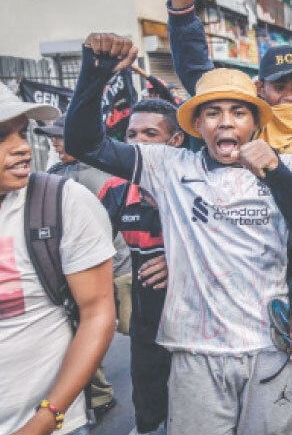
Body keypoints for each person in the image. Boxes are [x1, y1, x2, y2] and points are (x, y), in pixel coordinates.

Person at [65, 34, 292, 435]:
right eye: (213, 112)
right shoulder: (167, 166)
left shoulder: (284, 165)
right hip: (195, 353)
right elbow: (84, 144)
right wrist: (94, 76)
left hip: (269, 349)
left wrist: (276, 175)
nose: (225, 122)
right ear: (197, 124)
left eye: (238, 112)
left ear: (255, 122)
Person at [168, 0, 292, 432]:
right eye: (279, 87)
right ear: (260, 91)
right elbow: (196, 71)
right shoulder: (233, 133)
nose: (289, 97)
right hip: (243, 298)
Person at [0, 82, 117, 435]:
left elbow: (98, 311)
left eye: (21, 133)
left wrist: (47, 417)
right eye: (2, 137)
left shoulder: (60, 201)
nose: (22, 148)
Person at [35, 114, 133, 420]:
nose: (56, 142)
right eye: (53, 137)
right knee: (84, 333)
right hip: (76, 275)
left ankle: (163, 388)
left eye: (61, 137)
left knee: (138, 331)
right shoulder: (54, 174)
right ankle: (101, 396)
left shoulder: (109, 172)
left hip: (121, 271)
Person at [97, 98, 183, 435]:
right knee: (147, 391)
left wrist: (177, 260)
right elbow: (90, 249)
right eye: (132, 134)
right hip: (147, 314)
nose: (138, 142)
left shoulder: (198, 183)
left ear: (175, 141)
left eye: (150, 133)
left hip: (200, 315)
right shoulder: (116, 189)